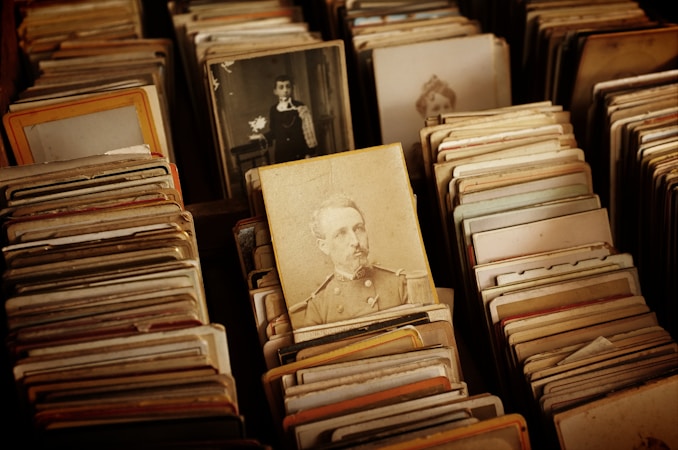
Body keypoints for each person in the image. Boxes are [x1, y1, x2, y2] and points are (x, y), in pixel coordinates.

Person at [301, 193, 409, 326]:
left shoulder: (399, 284)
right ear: (324, 246)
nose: (355, 241)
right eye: (341, 234)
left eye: (358, 229)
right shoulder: (318, 307)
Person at [258, 74, 318, 164]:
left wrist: (308, 153)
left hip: (299, 152)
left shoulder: (300, 107)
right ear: (275, 91)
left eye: (288, 87)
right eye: (281, 87)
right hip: (282, 153)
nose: (285, 90)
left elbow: (309, 131)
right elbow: (274, 131)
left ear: (292, 89)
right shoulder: (273, 109)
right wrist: (262, 136)